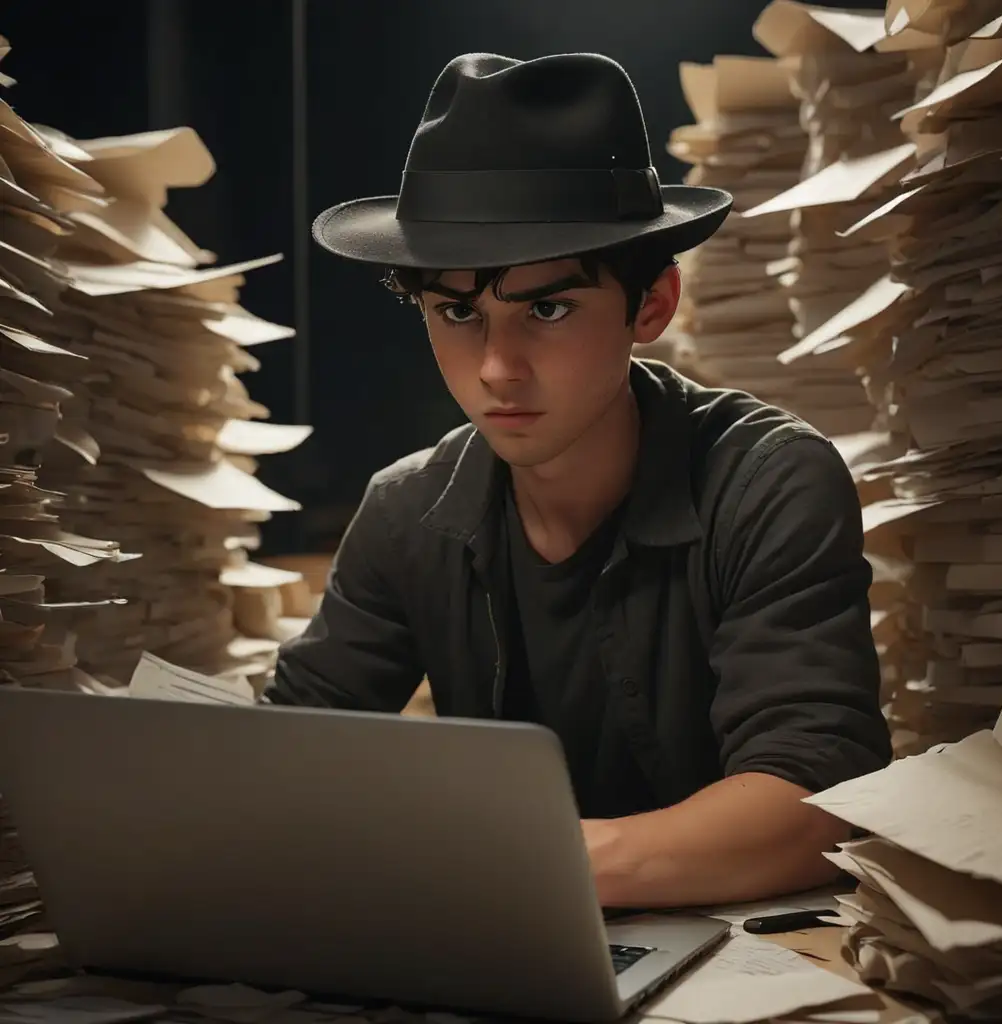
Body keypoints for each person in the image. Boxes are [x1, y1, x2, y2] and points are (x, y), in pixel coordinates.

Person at [266, 51, 892, 909]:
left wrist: (506, 865)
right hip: (499, 942)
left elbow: (816, 801)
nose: (496, 368)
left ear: (653, 307)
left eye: (548, 309)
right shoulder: (407, 508)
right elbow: (287, 751)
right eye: (457, 313)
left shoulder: (770, 481)